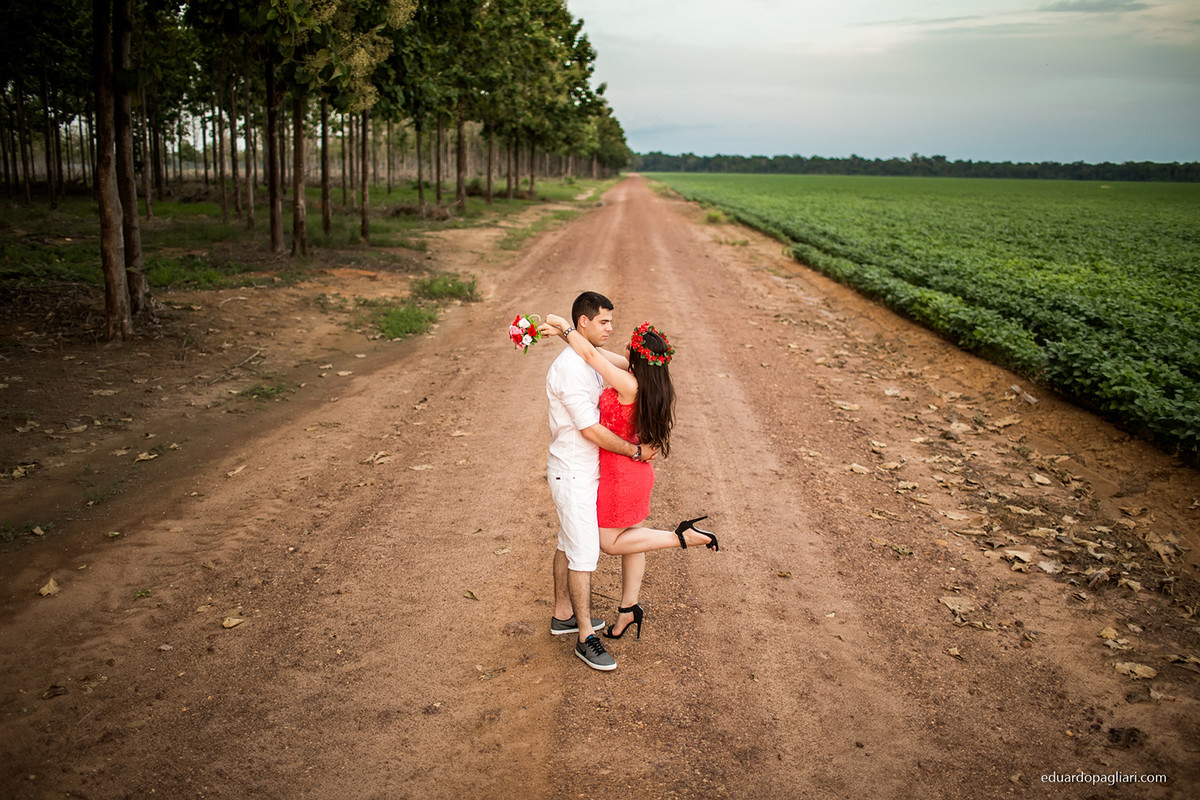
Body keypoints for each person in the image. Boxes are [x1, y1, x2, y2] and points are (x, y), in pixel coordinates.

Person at [542, 311, 718, 644]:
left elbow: (591, 355)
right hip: (636, 472)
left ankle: (681, 536)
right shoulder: (644, 379)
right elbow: (591, 350)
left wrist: (565, 326)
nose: (622, 341)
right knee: (633, 538)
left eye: (630, 343)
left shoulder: (628, 382)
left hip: (621, 472)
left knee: (610, 543)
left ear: (637, 356)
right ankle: (628, 608)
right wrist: (563, 335)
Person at [545, 291, 654, 671]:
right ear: (584, 322)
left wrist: (564, 332)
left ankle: (563, 614)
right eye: (603, 321)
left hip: (591, 470)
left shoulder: (591, 356)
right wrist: (634, 451)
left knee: (568, 544)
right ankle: (584, 638)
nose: (610, 328)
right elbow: (590, 430)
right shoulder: (570, 369)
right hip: (573, 471)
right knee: (583, 555)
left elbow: (618, 363)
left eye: (611, 321)